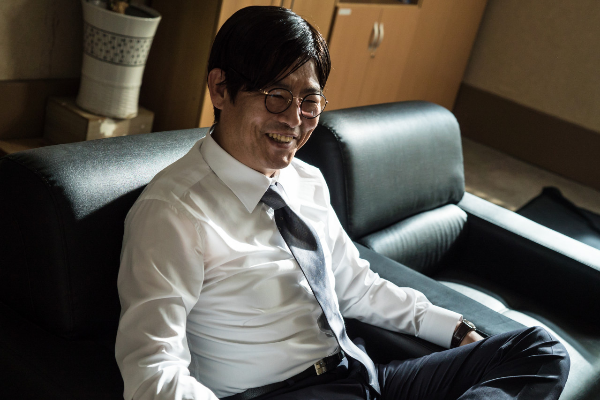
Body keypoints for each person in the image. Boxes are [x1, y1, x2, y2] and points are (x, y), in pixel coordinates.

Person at [115, 6, 569, 400]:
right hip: (279, 393)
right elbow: (153, 370)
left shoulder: (306, 180)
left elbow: (355, 285)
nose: (294, 119)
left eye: (309, 100)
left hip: (362, 376)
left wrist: (453, 328)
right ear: (220, 88)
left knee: (540, 350)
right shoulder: (173, 212)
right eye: (276, 96)